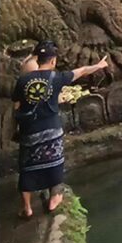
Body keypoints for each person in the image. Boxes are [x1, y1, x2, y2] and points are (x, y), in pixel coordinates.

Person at [12, 40, 108, 218]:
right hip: (51, 129)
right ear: (53, 61)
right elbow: (82, 71)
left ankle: (27, 208)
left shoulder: (23, 80)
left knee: (26, 168)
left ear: (37, 59)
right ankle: (54, 198)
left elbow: (17, 106)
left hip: (30, 131)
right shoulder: (56, 78)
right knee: (54, 163)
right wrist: (99, 65)